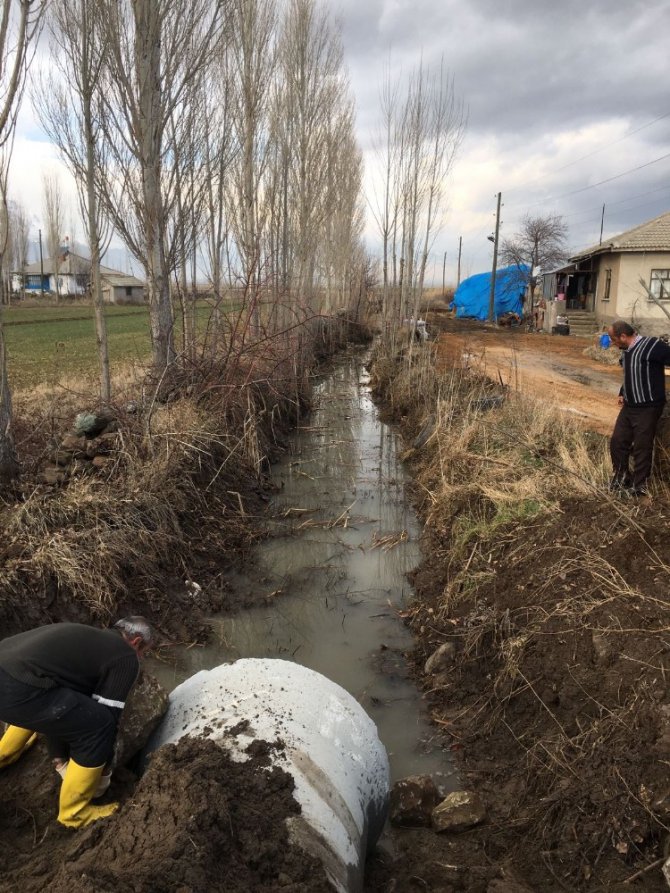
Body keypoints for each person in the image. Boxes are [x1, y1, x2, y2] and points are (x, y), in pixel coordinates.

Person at [0, 616, 154, 828]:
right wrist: (104, 774)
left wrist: (59, 758)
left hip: (9, 671)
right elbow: (108, 718)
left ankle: (4, 754)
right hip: (17, 690)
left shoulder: (87, 639)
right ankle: (74, 813)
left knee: (51, 699)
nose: (140, 657)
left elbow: (63, 705)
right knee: (99, 725)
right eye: (143, 652)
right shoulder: (125, 656)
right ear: (136, 642)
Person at [607, 320, 670, 496]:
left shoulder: (652, 346)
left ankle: (639, 486)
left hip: (648, 407)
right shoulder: (626, 351)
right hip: (629, 405)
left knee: (642, 446)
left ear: (623, 336)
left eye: (613, 339)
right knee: (618, 441)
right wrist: (622, 391)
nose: (612, 343)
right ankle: (621, 478)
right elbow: (631, 373)